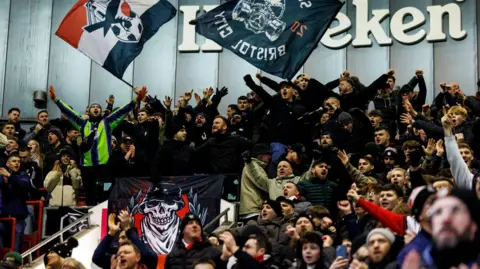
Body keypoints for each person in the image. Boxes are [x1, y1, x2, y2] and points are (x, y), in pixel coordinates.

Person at [49, 85, 147, 205]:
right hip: (87, 167)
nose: (96, 108)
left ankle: (104, 221)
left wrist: (136, 100)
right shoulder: (82, 123)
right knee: (90, 198)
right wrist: (56, 100)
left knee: (105, 197)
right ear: (89, 111)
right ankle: (92, 222)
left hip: (104, 167)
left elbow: (121, 111)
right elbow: (69, 113)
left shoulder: (107, 123)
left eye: (98, 107)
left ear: (101, 111)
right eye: (93, 107)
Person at [0, 154, 30, 252]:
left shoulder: (23, 175)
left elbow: (23, 186)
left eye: (18, 161)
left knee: (16, 246)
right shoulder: (1, 176)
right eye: (14, 161)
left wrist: (10, 176)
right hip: (2, 216)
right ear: (7, 164)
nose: (17, 163)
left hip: (18, 217)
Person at [239, 143, 272, 222]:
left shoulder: (257, 166)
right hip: (253, 210)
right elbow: (262, 182)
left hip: (253, 210)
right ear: (261, 155)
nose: (270, 157)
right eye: (268, 154)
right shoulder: (251, 165)